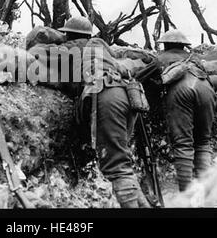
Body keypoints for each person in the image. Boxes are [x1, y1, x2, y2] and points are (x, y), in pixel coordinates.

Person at [57, 16, 150, 208]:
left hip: (106, 96)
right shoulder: (100, 47)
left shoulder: (69, 49)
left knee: (116, 168)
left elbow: (66, 82)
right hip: (127, 94)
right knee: (123, 162)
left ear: (69, 34)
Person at [136, 29, 216, 192]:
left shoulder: (161, 58)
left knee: (183, 144)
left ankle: (187, 195)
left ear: (165, 45)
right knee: (203, 141)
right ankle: (206, 192)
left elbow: (138, 78)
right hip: (207, 90)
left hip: (182, 92)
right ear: (183, 45)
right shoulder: (195, 59)